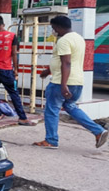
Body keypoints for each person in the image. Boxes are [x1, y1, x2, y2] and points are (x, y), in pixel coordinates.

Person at [34, 16, 108, 149]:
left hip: (61, 82)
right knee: (71, 107)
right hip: (77, 81)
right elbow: (63, 60)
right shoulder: (79, 38)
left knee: (51, 110)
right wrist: (47, 71)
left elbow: (66, 63)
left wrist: (63, 85)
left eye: (53, 28)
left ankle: (51, 140)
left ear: (59, 27)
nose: (53, 30)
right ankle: (98, 131)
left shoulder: (63, 40)